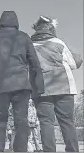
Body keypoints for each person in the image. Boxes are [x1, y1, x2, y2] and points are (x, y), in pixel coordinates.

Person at [0, 11, 45, 152]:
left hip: (0, 85)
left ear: (1, 23)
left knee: (0, 118)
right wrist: (39, 86)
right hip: (21, 85)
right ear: (16, 23)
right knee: (22, 120)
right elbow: (34, 63)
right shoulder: (24, 37)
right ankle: (20, 150)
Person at [31, 15, 83, 152]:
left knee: (45, 122)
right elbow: (73, 63)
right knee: (67, 122)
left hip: (40, 88)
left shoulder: (29, 45)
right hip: (64, 86)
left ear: (36, 29)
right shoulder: (59, 43)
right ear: (52, 28)